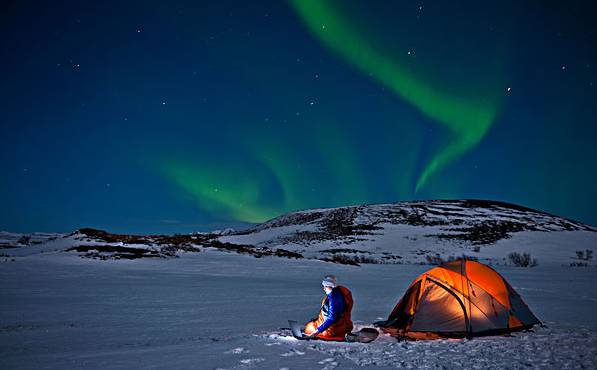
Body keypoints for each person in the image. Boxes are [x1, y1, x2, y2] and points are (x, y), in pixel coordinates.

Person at [303, 275, 353, 341]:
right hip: (341, 324)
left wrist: (317, 331)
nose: (324, 288)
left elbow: (332, 318)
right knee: (311, 323)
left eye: (325, 286)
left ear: (331, 286)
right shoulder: (337, 292)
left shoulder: (334, 299)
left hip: (333, 329)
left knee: (309, 328)